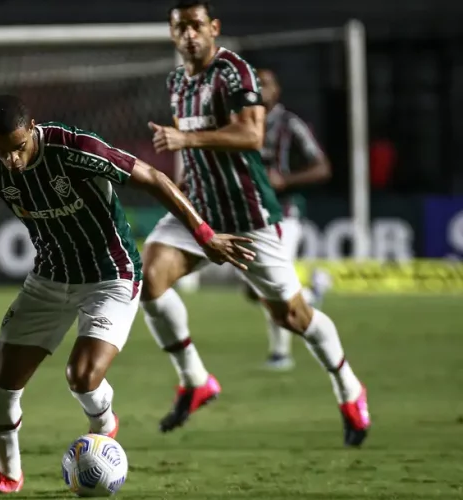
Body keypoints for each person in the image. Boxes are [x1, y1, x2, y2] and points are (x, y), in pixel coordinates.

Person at [0, 94, 253, 495]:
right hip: (48, 280)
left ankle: (105, 425)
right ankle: (9, 476)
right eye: (0, 149)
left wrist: (205, 235)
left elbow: (154, 178)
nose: (11, 159)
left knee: (81, 377)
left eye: (18, 147)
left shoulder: (75, 148)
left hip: (110, 276)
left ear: (32, 129)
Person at [140, 0, 370, 446]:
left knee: (292, 315)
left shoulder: (234, 72)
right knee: (148, 278)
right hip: (200, 208)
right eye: (181, 27)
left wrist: (184, 137)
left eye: (197, 25)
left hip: (248, 215)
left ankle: (349, 389)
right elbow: (190, 152)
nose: (189, 34)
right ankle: (195, 380)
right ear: (172, 34)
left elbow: (252, 135)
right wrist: (183, 182)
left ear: (214, 28)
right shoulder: (176, 82)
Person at [253, 68, 333, 370]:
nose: (261, 89)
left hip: (284, 216)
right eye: (256, 83)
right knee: (254, 288)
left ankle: (280, 354)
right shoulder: (240, 123)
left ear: (278, 90)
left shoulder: (290, 125)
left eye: (267, 84)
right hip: (249, 217)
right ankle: (313, 293)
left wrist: (286, 180)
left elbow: (323, 167)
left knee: (272, 287)